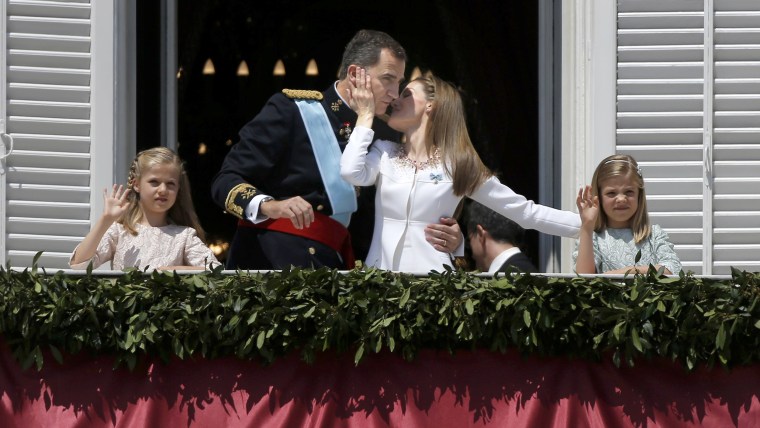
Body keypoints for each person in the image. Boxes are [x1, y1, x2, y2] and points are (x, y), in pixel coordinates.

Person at [211, 29, 462, 270]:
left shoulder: (385, 134)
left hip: (337, 270)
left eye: (399, 82)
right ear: (355, 74)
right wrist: (269, 205)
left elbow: (388, 215)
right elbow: (226, 181)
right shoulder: (293, 111)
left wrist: (449, 237)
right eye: (387, 79)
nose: (395, 94)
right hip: (272, 265)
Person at [339, 70, 581, 272]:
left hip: (434, 289)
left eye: (407, 94)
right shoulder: (383, 152)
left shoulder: (459, 165)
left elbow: (525, 212)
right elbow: (351, 172)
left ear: (431, 106)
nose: (395, 101)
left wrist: (590, 225)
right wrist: (365, 116)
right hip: (380, 287)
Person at [69, 147, 219, 271]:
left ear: (178, 189)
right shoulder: (120, 231)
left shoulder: (184, 236)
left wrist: (171, 271)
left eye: (170, 184)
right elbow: (79, 265)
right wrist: (105, 220)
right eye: (154, 182)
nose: (163, 190)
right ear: (137, 184)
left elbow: (215, 270)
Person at [573, 154, 681, 274]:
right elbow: (584, 278)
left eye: (629, 191)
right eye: (611, 193)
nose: (621, 199)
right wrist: (587, 226)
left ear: (639, 195)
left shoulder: (653, 236)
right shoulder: (594, 238)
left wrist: (625, 272)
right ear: (598, 197)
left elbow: (672, 269)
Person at [464, 200, 538, 274]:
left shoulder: (508, 278)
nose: (472, 255)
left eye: (469, 240)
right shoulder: (527, 271)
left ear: (480, 234)